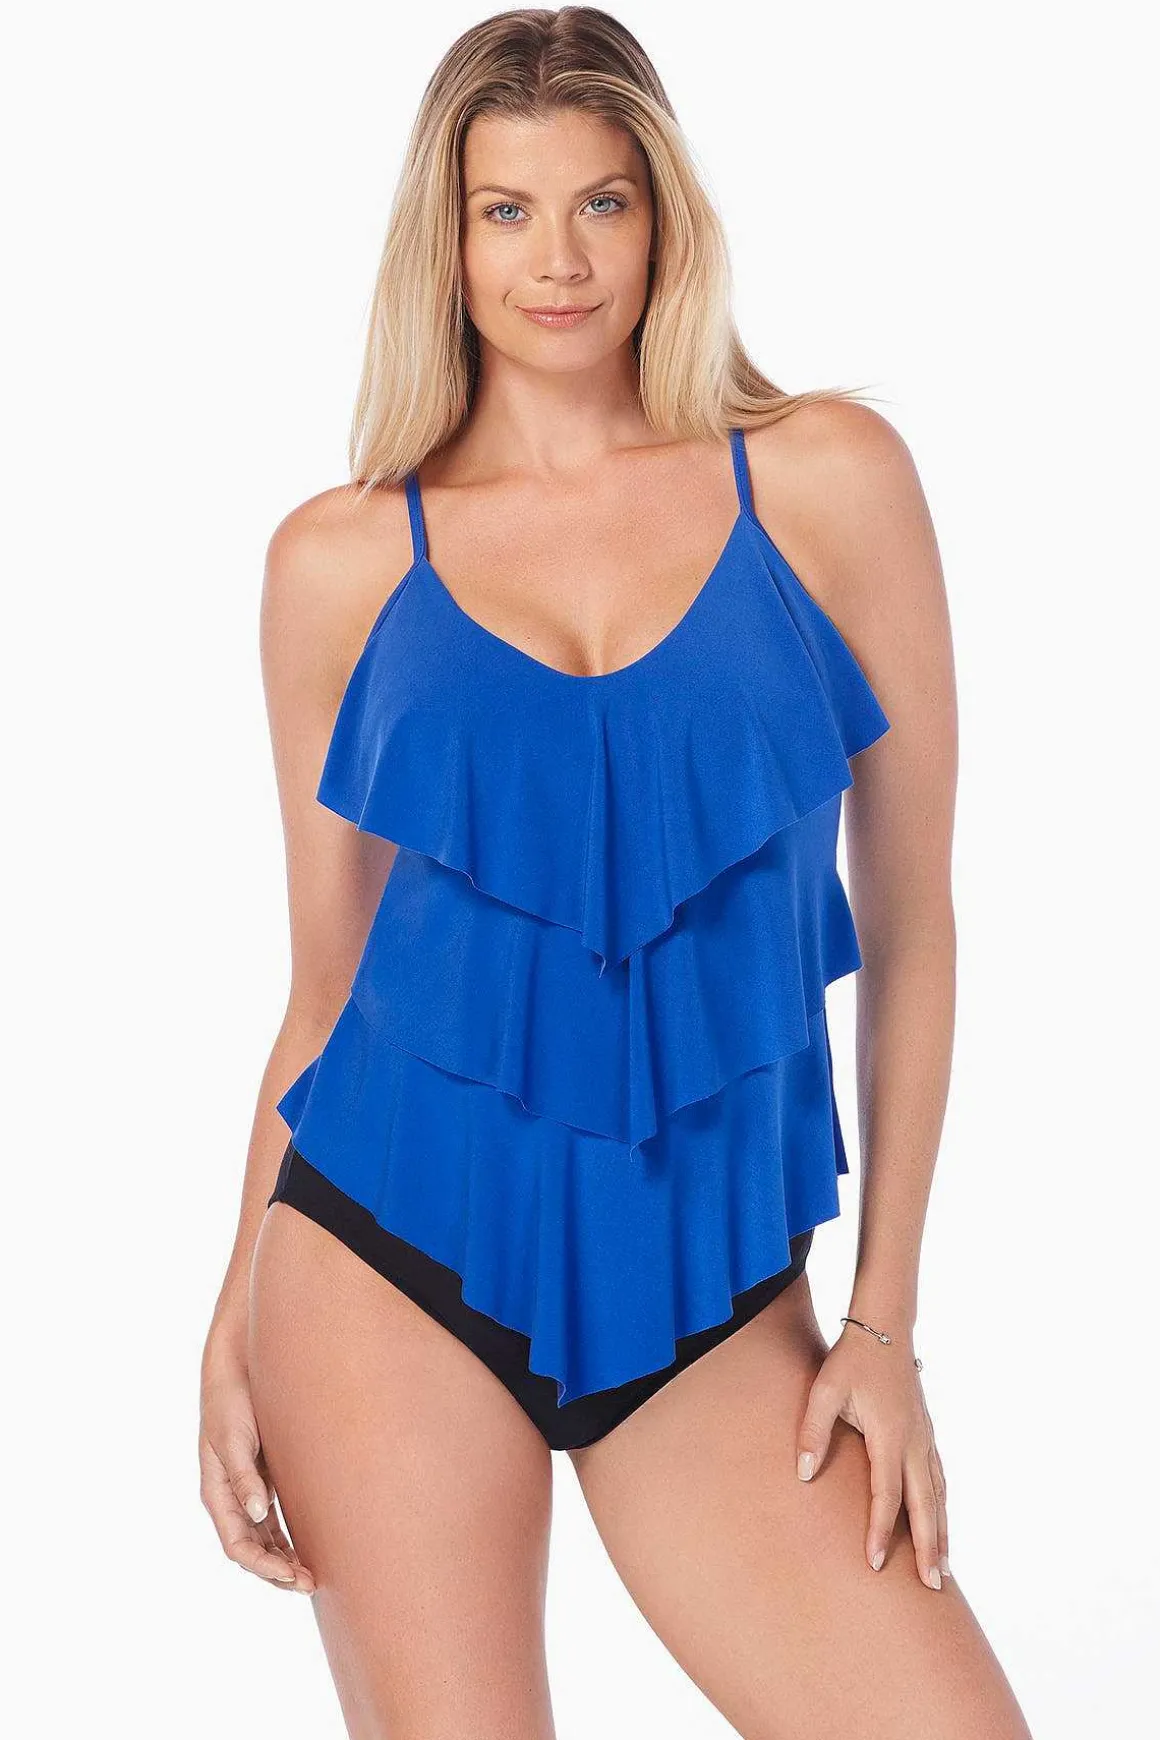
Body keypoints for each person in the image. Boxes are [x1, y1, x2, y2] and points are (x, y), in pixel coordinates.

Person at [199, 9, 1034, 1736]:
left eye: (601, 202)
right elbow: (325, 993)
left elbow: (917, 924)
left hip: (710, 1291)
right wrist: (231, 1320)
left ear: (666, 217)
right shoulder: (338, 565)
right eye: (505, 212)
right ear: (445, 243)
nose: (559, 262)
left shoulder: (829, 483)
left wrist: (882, 1326)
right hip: (383, 1266)